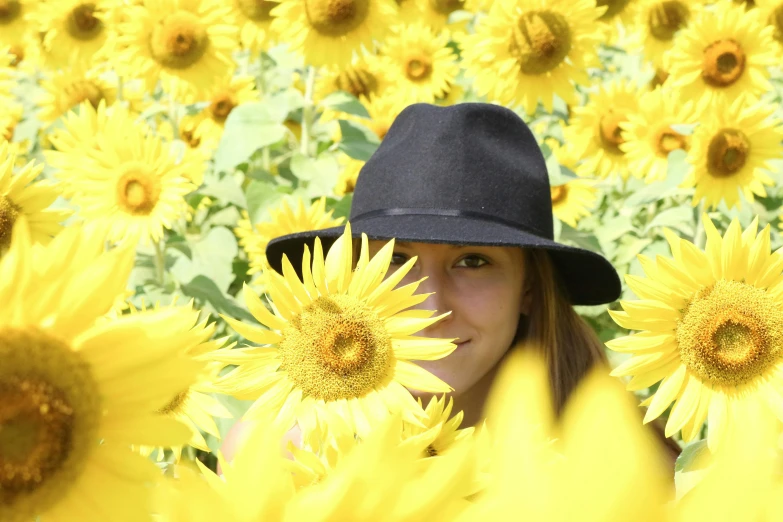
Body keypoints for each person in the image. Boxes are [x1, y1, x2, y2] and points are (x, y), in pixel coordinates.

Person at [220, 102, 681, 464]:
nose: (429, 304)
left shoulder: (621, 467)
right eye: (396, 261)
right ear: (350, 280)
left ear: (530, 290)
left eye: (473, 261)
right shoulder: (277, 458)